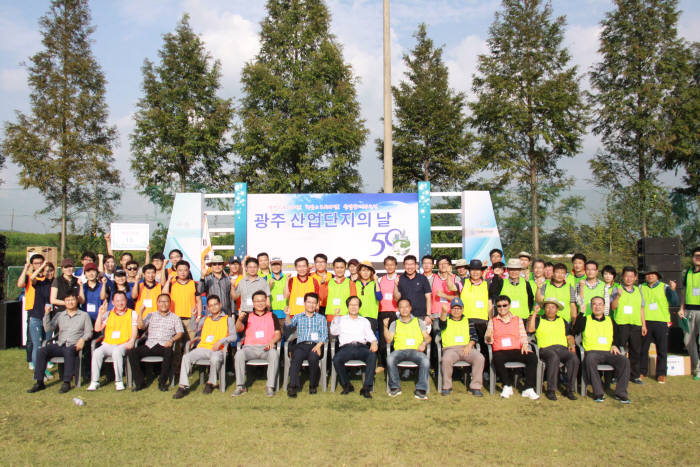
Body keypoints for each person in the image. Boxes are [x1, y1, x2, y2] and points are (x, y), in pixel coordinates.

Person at [27, 290, 93, 394]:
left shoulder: (84, 315)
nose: (70, 302)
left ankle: (66, 382)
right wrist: (47, 314)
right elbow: (48, 329)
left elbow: (89, 332)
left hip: (74, 344)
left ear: (77, 301)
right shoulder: (60, 315)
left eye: (72, 300)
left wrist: (82, 339)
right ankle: (39, 382)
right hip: (60, 343)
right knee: (41, 351)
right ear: (64, 302)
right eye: (68, 300)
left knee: (69, 351)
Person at [173, 295, 236, 398]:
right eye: (211, 305)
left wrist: (221, 341)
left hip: (218, 350)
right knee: (186, 357)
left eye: (216, 304)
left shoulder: (227, 319)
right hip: (202, 348)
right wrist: (193, 316)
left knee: (215, 358)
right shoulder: (205, 319)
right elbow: (194, 329)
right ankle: (183, 386)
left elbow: (233, 336)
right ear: (208, 308)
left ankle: (210, 383)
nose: (214, 307)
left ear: (220, 305)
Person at [572, 296, 631, 403]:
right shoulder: (586, 319)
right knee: (589, 359)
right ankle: (598, 393)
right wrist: (581, 313)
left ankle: (621, 393)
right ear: (591, 306)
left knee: (624, 361)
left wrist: (614, 344)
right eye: (594, 304)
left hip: (608, 352)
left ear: (604, 306)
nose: (597, 307)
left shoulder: (610, 320)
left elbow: (617, 337)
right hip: (592, 352)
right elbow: (575, 330)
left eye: (600, 304)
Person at [485, 295, 539, 400]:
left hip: (516, 349)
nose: (502, 308)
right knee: (497, 359)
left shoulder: (517, 319)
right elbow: (488, 339)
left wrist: (525, 344)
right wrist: (488, 337)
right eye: (499, 306)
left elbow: (523, 334)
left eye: (504, 305)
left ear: (509, 306)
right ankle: (507, 385)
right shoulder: (493, 321)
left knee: (532, 357)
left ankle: (528, 388)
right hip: (501, 350)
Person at [127, 294, 184, 392]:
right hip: (150, 344)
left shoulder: (175, 317)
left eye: (166, 301)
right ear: (157, 303)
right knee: (132, 352)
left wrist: (172, 340)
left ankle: (162, 382)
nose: (163, 304)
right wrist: (140, 313)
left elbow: (180, 332)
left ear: (170, 303)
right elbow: (141, 326)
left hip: (164, 344)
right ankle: (140, 383)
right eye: (161, 301)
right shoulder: (151, 315)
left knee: (169, 352)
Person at [527, 297, 579, 401]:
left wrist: (572, 344)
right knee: (553, 357)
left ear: (557, 309)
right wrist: (534, 314)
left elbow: (569, 336)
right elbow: (530, 329)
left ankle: (569, 389)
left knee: (573, 358)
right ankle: (551, 390)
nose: (550, 310)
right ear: (544, 309)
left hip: (562, 349)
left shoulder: (562, 321)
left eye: (553, 307)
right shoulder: (539, 319)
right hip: (546, 349)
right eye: (547, 307)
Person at [232, 291, 282, 397]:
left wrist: (272, 342)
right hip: (250, 348)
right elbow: (238, 329)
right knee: (239, 354)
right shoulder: (247, 316)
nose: (260, 303)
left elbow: (278, 334)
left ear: (266, 302)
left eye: (262, 300)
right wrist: (239, 320)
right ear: (253, 303)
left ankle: (270, 386)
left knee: (274, 354)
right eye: (257, 301)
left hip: (266, 348)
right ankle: (240, 386)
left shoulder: (272, 316)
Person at [87, 291, 137, 391]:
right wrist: (100, 315)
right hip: (108, 343)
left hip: (123, 343)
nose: (120, 303)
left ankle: (118, 381)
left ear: (126, 301)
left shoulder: (132, 313)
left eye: (122, 300)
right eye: (117, 301)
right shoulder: (108, 314)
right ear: (113, 302)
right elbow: (97, 328)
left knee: (117, 352)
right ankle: (95, 381)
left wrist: (132, 340)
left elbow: (134, 329)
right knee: (97, 352)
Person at [330, 296, 378, 398]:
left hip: (361, 347)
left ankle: (366, 387)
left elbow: (370, 335)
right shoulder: (341, 319)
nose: (353, 307)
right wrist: (336, 317)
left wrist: (374, 342)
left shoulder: (364, 321)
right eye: (351, 305)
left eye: (356, 305)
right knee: (337, 359)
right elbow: (333, 332)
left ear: (359, 307)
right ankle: (347, 385)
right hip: (346, 348)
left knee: (372, 356)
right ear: (347, 306)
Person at [384, 298, 432, 399]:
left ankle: (421, 389)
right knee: (390, 358)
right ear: (398, 309)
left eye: (406, 307)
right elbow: (388, 340)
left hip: (415, 351)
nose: (404, 309)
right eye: (401, 307)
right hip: (400, 351)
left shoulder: (419, 322)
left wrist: (423, 343)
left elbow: (428, 338)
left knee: (425, 361)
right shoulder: (395, 323)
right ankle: (395, 387)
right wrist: (385, 327)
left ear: (410, 308)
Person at [640, 266, 678, 383]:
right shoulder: (641, 287)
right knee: (643, 348)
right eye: (648, 274)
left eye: (653, 274)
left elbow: (675, 302)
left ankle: (661, 373)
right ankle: (642, 371)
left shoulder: (665, 287)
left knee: (662, 349)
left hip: (661, 322)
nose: (650, 276)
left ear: (657, 276)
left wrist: (673, 290)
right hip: (645, 322)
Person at [439, 297, 485, 397]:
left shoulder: (468, 321)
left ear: (462, 309)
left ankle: (475, 387)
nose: (456, 311)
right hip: (451, 349)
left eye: (459, 308)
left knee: (480, 358)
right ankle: (447, 386)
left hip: (466, 348)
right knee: (446, 359)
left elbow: (474, 336)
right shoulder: (446, 320)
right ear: (450, 309)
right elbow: (441, 324)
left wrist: (470, 345)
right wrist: (443, 312)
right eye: (454, 308)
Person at [284, 293, 328, 397]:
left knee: (313, 358)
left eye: (314, 303)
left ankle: (313, 385)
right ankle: (293, 386)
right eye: (309, 302)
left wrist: (319, 345)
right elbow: (289, 325)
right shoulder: (298, 316)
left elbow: (324, 334)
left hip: (314, 345)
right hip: (301, 345)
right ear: (304, 303)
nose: (311, 305)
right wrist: (287, 315)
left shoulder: (321, 318)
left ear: (317, 304)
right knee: (296, 358)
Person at [610, 267, 646, 384]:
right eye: (626, 276)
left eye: (631, 276)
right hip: (621, 324)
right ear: (622, 277)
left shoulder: (638, 290)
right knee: (619, 351)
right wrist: (618, 296)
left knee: (635, 350)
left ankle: (634, 375)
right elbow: (613, 307)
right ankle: (616, 375)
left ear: (635, 278)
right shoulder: (617, 289)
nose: (629, 278)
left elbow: (641, 309)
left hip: (636, 324)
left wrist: (644, 325)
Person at [18, 254, 48, 370]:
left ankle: (43, 362)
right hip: (33, 311)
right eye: (36, 263)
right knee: (32, 340)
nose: (39, 265)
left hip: (45, 312)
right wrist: (26, 268)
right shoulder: (30, 276)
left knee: (45, 339)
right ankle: (31, 360)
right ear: (32, 265)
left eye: (41, 263)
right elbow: (20, 284)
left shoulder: (47, 278)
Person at [460, 260, 492, 368]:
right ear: (469, 271)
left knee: (484, 348)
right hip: (466, 321)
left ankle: (485, 371)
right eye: (473, 270)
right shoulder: (463, 282)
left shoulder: (487, 284)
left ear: (481, 271)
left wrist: (490, 322)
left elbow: (490, 304)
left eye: (478, 270)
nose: (475, 272)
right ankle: (467, 371)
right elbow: (452, 288)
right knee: (467, 347)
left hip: (482, 321)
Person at [28, 260, 55, 378]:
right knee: (37, 345)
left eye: (51, 270)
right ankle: (39, 372)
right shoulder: (38, 282)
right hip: (36, 317)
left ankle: (44, 369)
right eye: (46, 271)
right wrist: (42, 266)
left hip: (49, 319)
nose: (49, 273)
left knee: (47, 345)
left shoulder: (55, 283)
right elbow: (32, 277)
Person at [679, 246, 700, 379]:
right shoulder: (688, 272)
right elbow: (684, 292)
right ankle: (696, 367)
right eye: (696, 255)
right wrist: (682, 308)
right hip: (689, 310)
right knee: (688, 340)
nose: (698, 258)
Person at [393, 255, 432, 328]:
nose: (409, 267)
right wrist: (395, 285)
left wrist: (428, 315)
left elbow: (428, 298)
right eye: (407, 264)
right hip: (405, 317)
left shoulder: (423, 278)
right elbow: (396, 298)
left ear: (415, 265)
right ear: (404, 265)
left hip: (421, 316)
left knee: (422, 338)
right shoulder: (400, 279)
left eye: (411, 264)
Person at [377, 256, 398, 371]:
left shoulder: (400, 278)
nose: (389, 266)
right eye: (387, 264)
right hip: (383, 312)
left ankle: (394, 363)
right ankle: (381, 364)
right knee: (382, 339)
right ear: (384, 266)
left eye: (392, 264)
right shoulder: (380, 280)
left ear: (396, 265)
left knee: (395, 339)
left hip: (396, 312)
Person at [430, 255, 460, 330]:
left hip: (451, 314)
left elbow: (458, 299)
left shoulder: (456, 279)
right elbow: (428, 298)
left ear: (450, 265)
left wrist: (444, 295)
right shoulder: (432, 279)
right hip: (436, 315)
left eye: (445, 263)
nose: (443, 265)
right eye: (440, 264)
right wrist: (429, 315)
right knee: (438, 340)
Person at [325, 257, 357, 323]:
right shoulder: (328, 282)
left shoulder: (351, 283)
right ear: (334, 268)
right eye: (337, 267)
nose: (339, 270)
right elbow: (322, 298)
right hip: (331, 318)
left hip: (345, 318)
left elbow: (354, 302)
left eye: (342, 267)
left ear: (345, 268)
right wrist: (322, 284)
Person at [355, 261, 382, 335]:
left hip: (371, 317)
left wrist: (376, 281)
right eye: (363, 270)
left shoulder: (374, 284)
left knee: (370, 342)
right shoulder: (355, 283)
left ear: (372, 272)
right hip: (358, 316)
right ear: (359, 272)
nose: (366, 273)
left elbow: (379, 297)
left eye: (368, 270)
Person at [267, 257, 288, 324]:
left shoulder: (287, 277)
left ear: (281, 265)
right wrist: (269, 286)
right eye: (273, 265)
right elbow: (262, 294)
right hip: (272, 311)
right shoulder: (266, 278)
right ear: (270, 265)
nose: (276, 267)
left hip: (285, 311)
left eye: (278, 264)